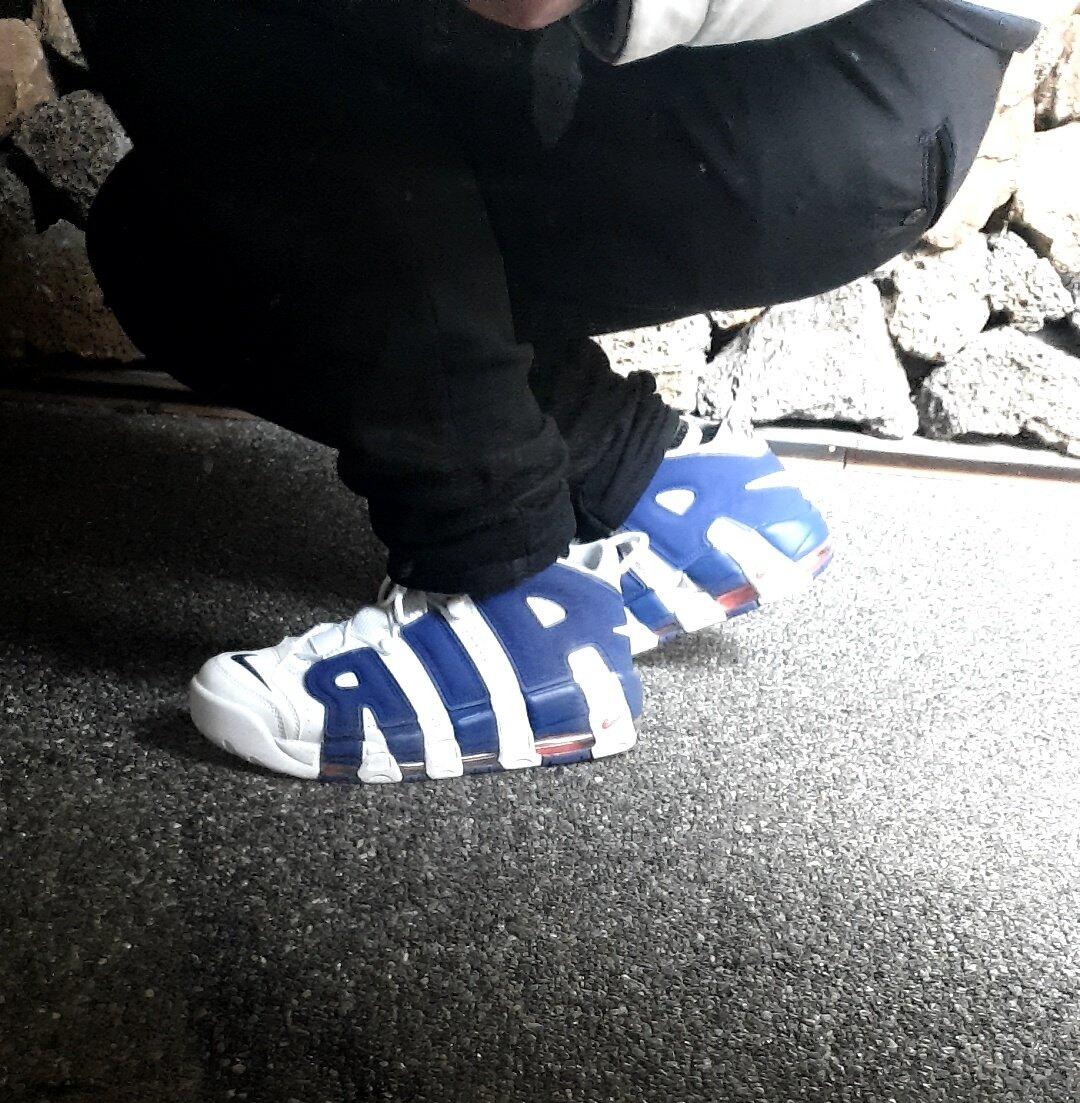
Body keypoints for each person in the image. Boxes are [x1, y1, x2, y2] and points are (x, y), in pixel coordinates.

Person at [68, 0, 1047, 785]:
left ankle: (504, 595)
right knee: (178, 245)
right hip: (872, 82)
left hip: (805, 80)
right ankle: (643, 482)